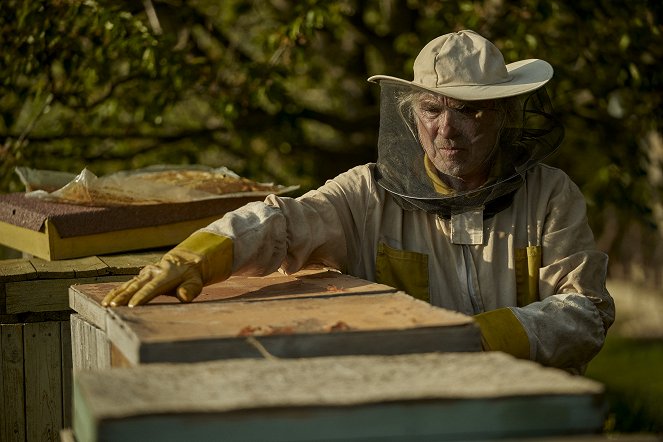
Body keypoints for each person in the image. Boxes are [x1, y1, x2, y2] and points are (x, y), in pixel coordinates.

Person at [102, 30, 615, 374]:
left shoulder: (550, 194)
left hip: (523, 408)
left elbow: (585, 312)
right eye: (432, 110)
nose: (447, 130)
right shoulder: (368, 193)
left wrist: (477, 338)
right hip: (403, 404)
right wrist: (202, 251)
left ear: (503, 114)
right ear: (412, 116)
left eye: (470, 113)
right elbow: (283, 221)